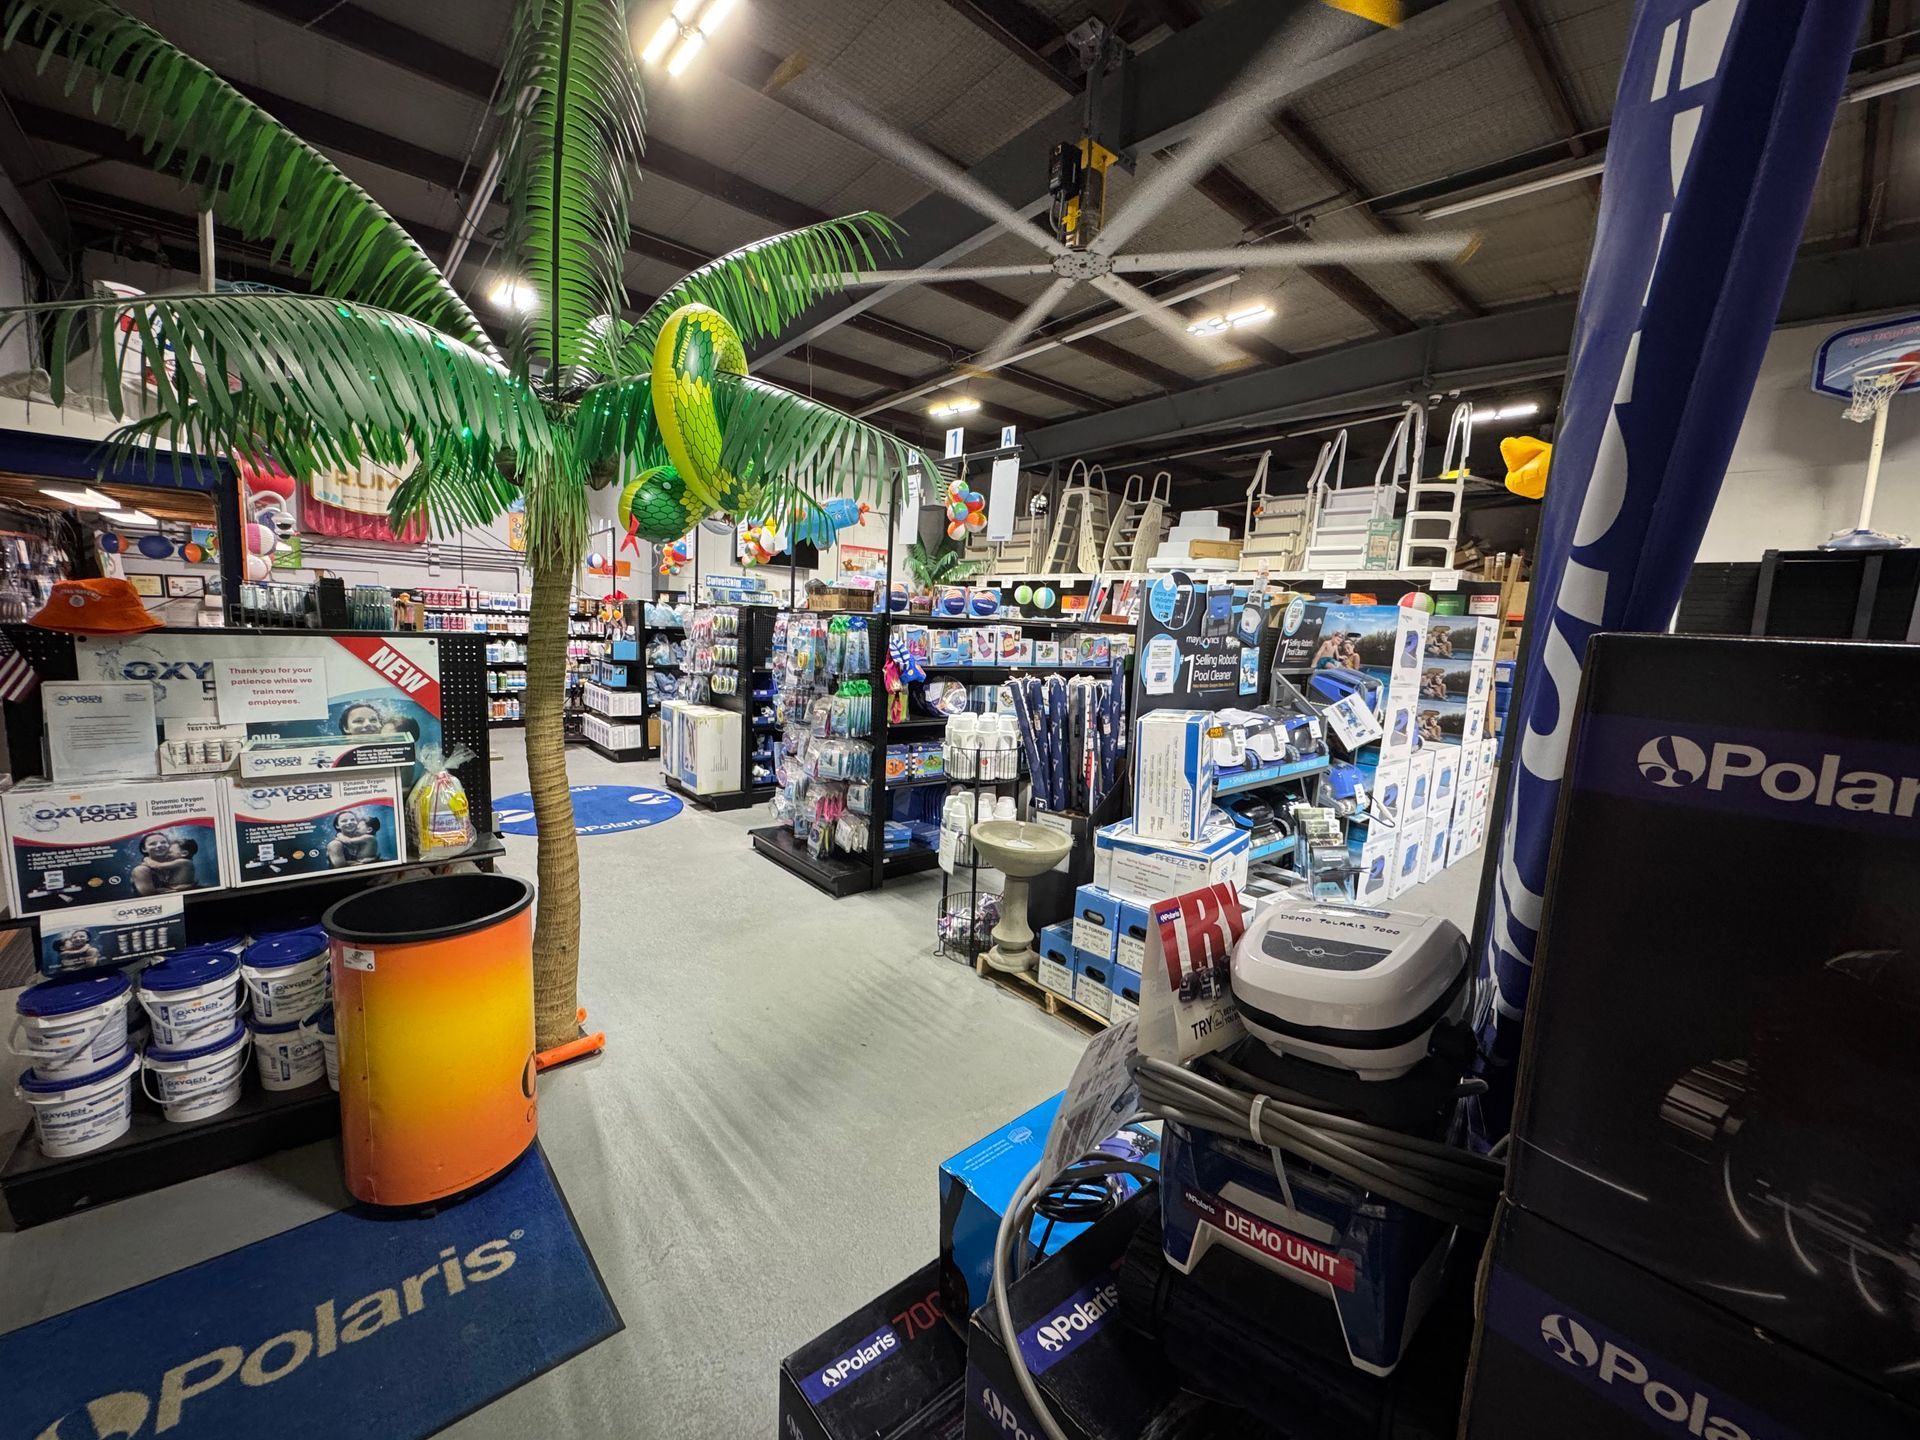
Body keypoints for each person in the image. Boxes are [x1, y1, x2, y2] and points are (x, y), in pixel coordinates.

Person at [132, 832, 198, 894]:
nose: (159, 845)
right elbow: (150, 897)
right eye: (152, 844)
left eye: (163, 842)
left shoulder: (172, 865)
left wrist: (191, 887)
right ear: (144, 849)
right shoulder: (141, 870)